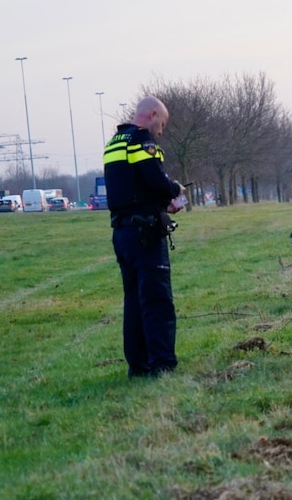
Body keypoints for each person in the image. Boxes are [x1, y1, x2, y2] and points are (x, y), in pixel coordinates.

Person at [104, 96, 186, 378]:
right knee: (157, 300)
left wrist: (161, 201)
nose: (161, 131)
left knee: (134, 301)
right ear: (151, 115)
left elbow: (133, 189)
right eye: (161, 124)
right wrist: (174, 191)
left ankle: (137, 365)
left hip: (122, 231)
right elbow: (154, 179)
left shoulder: (115, 142)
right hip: (146, 234)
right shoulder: (142, 140)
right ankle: (162, 364)